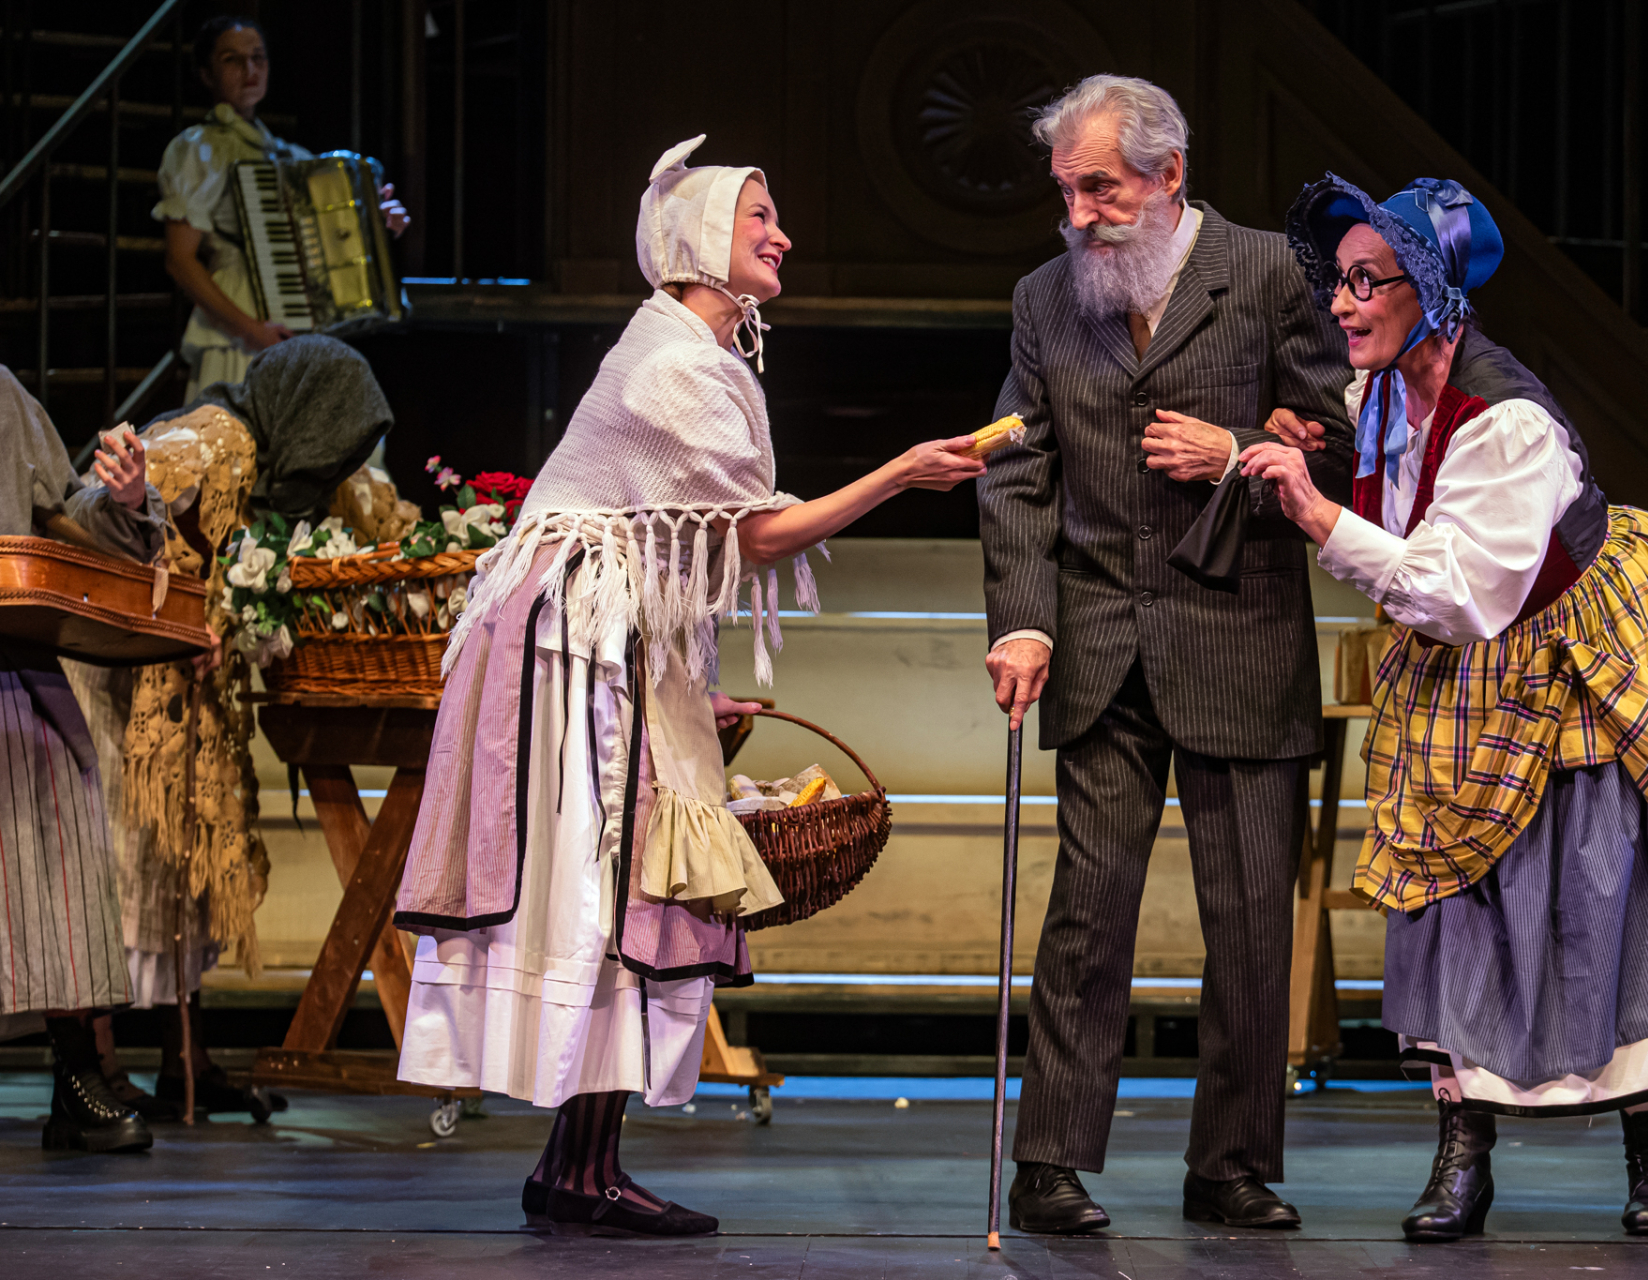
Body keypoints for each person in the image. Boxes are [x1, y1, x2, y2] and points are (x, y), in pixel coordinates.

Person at [390, 135, 985, 1238]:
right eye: (760, 217)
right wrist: (901, 472)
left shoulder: (688, 355)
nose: (782, 237)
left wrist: (680, 698)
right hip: (572, 651)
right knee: (612, 886)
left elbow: (684, 544)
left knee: (636, 886)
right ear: (702, 240)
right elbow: (750, 537)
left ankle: (578, 1163)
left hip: (606, 649)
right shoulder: (671, 364)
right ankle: (579, 1166)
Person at [1244, 172, 1648, 1240]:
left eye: (1366, 281)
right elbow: (1407, 500)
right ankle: (1463, 1146)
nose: (1341, 303)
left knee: (1605, 883)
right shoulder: (1380, 391)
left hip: (1569, 656)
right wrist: (1322, 454)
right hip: (1466, 666)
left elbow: (1458, 590)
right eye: (1338, 281)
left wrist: (1311, 512)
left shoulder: (1509, 421)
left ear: (1431, 292)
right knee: (1454, 892)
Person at [977, 75, 1353, 1234]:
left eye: (1100, 188)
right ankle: (1048, 1160)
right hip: (1100, 641)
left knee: (1251, 920)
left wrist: (1237, 449)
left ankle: (1230, 1161)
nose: (1080, 214)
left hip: (1239, 634)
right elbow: (1017, 467)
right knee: (1088, 911)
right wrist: (1023, 618)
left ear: (1168, 172)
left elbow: (1340, 445)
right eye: (1067, 191)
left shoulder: (1272, 274)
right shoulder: (1047, 298)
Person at [63, 335, 396, 1123]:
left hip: (183, 685)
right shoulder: (210, 439)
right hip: (117, 683)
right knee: (121, 870)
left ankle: (188, 1061)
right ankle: (94, 1067)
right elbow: (95, 518)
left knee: (179, 869)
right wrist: (134, 506)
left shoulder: (268, 469)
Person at [0, 367, 166, 1152]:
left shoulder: (2, 396)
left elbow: (70, 518)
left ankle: (75, 1077)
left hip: (9, 655)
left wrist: (127, 500)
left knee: (55, 811)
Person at [154, 15, 409, 399]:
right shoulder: (198, 148)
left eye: (258, 58)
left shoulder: (291, 157)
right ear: (207, 74)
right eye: (232, 60)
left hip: (297, 325)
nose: (250, 70)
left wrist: (377, 223)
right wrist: (249, 328)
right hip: (236, 327)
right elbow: (180, 259)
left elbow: (336, 242)